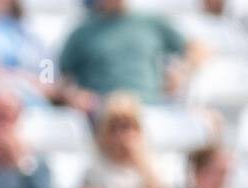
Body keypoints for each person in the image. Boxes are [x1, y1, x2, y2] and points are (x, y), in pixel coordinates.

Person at [59, 0, 192, 114]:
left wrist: (181, 71)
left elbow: (195, 48)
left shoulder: (151, 22)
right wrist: (73, 96)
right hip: (100, 110)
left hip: (148, 105)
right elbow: (58, 76)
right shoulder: (81, 33)